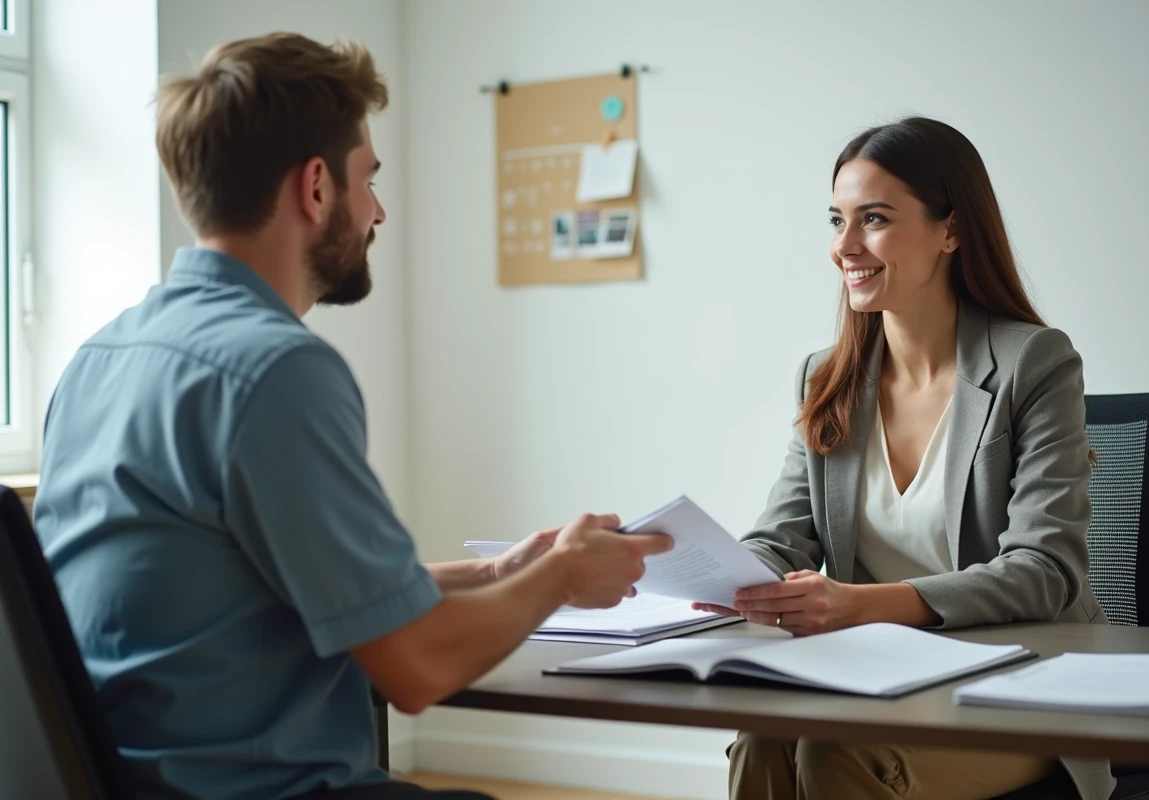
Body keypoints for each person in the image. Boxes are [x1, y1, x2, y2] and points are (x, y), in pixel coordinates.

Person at [33, 33, 671, 800]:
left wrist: (495, 573)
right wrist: (565, 575)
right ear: (315, 187)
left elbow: (271, 589)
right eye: (368, 179)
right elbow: (417, 668)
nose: (379, 211)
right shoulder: (276, 371)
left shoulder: (99, 358)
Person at [693, 117, 1114, 800]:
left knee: (835, 757)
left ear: (950, 230)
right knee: (764, 736)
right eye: (837, 220)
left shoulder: (1032, 363)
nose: (844, 247)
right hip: (876, 678)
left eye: (875, 219)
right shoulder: (827, 376)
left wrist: (860, 605)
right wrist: (719, 581)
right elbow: (782, 538)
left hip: (1021, 687)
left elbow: (1045, 570)